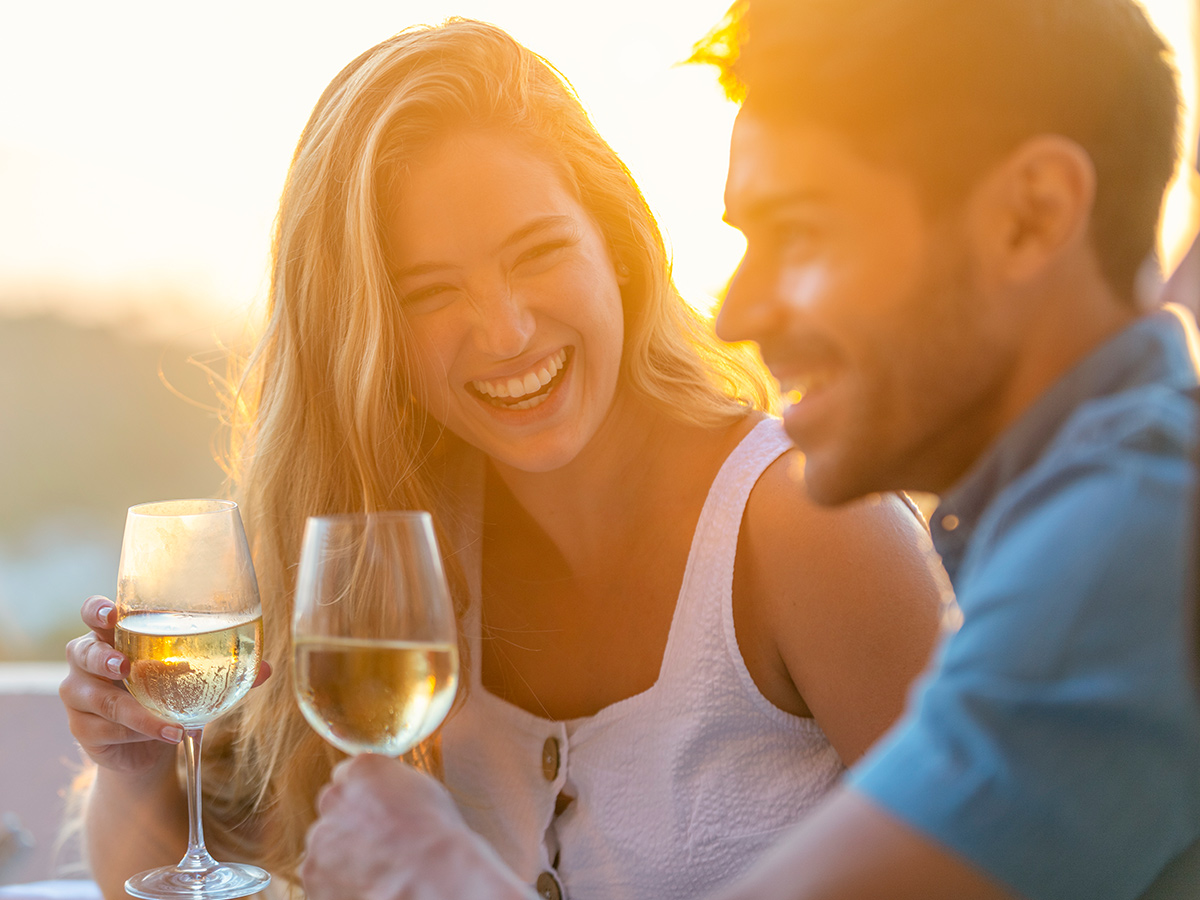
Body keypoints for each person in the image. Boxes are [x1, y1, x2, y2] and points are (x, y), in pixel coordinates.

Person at [297, 1, 1200, 899]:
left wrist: (435, 878)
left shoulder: (1129, 553)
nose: (739, 314)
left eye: (801, 235)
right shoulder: (1076, 528)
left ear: (1030, 218)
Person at [57, 19, 946, 900]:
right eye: (432, 292)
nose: (508, 331)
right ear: (369, 338)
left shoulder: (810, 524)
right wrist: (136, 765)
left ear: (618, 246)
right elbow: (178, 870)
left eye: (540, 252)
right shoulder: (391, 548)